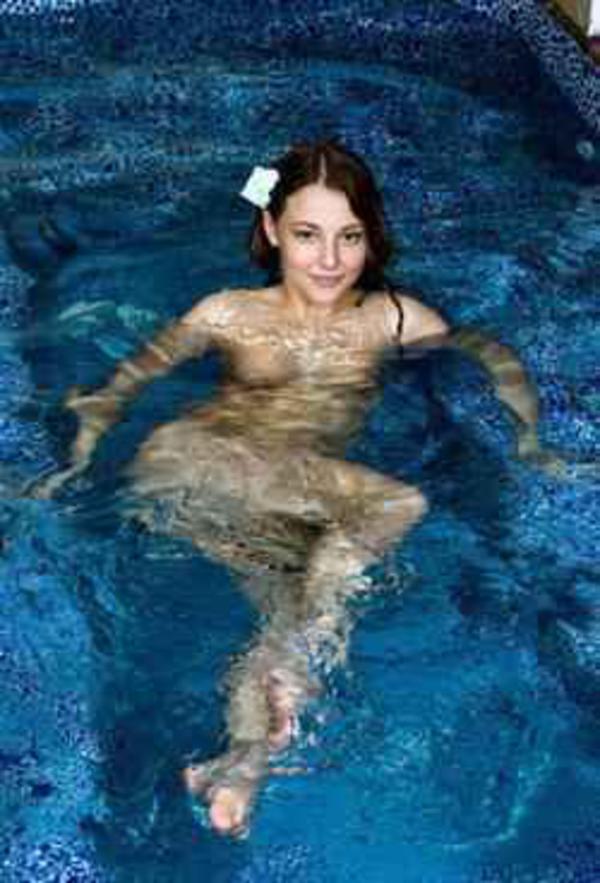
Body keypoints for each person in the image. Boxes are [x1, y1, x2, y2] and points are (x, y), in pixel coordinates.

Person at [46, 140, 545, 837]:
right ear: (272, 228)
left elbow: (488, 353)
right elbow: (121, 386)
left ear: (372, 237)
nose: (330, 260)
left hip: (274, 504)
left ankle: (241, 762)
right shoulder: (228, 312)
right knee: (395, 505)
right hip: (197, 466)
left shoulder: (393, 319)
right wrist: (75, 463)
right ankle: (308, 641)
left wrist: (530, 438)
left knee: (284, 627)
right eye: (308, 235)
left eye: (350, 237)